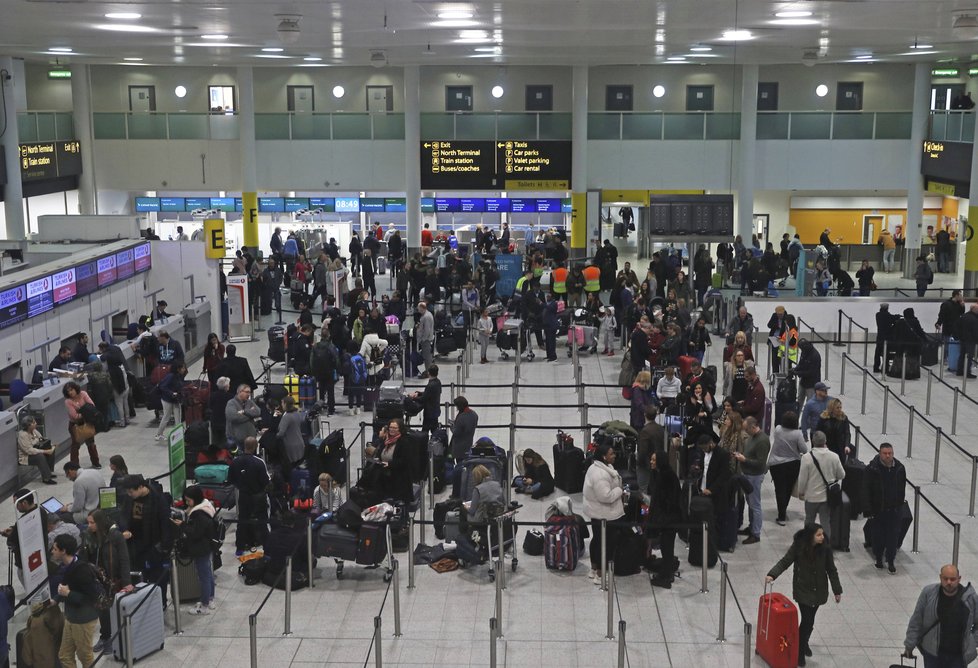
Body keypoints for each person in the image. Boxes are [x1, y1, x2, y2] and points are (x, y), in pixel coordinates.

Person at [765, 524, 843, 666]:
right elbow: (785, 561)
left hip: (819, 591)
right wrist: (772, 574)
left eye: (822, 534)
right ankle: (800, 651)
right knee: (807, 620)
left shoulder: (825, 549)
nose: (822, 537)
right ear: (810, 536)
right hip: (803, 590)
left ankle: (804, 642)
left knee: (810, 620)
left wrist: (837, 590)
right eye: (819, 535)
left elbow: (832, 570)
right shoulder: (799, 547)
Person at [903, 564, 978, 667]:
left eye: (952, 579)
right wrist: (909, 644)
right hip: (932, 654)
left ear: (959, 579)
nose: (949, 582)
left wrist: (972, 642)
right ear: (940, 578)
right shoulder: (928, 593)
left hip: (958, 656)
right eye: (945, 578)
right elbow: (917, 620)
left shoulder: (970, 599)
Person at [83, 509, 132, 653]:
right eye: (88, 522)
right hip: (98, 581)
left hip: (113, 579)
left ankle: (115, 638)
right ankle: (105, 637)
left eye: (92, 522)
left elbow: (124, 560)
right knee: (102, 611)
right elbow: (85, 556)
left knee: (113, 610)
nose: (89, 525)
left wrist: (127, 582)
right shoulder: (88, 536)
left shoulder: (115, 536)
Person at [119, 475, 172, 602]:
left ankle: (160, 603)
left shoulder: (158, 500)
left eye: (131, 491)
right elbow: (124, 515)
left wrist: (161, 548)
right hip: (135, 544)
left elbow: (165, 525)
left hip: (153, 546)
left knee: (157, 578)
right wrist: (125, 528)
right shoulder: (130, 498)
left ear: (141, 487)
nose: (129, 494)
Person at [52, 533, 100, 668]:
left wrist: (68, 594)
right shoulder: (67, 566)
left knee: (84, 655)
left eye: (55, 549)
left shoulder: (82, 570)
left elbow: (91, 598)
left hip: (84, 620)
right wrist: (56, 600)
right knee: (64, 655)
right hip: (71, 617)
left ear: (63, 551)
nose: (52, 551)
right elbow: (65, 586)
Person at [583, 443, 625, 586]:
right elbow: (605, 496)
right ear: (603, 456)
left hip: (598, 512)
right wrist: (620, 490)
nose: (614, 455)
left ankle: (594, 569)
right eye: (611, 453)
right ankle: (600, 574)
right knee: (606, 543)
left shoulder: (598, 468)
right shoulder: (600, 474)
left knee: (598, 540)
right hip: (605, 514)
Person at [172, 486, 217, 615]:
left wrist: (183, 525)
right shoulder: (206, 506)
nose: (187, 503)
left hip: (201, 547)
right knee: (208, 573)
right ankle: (210, 598)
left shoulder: (199, 514)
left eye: (188, 500)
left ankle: (204, 605)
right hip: (206, 546)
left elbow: (195, 533)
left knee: (204, 576)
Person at [864, 442, 907, 573]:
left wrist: (900, 505)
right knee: (879, 535)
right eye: (885, 453)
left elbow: (902, 488)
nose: (888, 456)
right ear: (880, 453)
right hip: (879, 509)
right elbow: (865, 489)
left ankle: (891, 560)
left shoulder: (899, 468)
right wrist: (867, 508)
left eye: (890, 453)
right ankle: (878, 558)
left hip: (894, 509)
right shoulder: (872, 468)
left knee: (893, 535)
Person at [795, 431, 845, 538]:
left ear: (813, 441)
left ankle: (808, 543)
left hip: (811, 496)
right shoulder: (834, 456)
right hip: (826, 498)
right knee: (825, 522)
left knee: (809, 520)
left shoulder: (806, 458)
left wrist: (801, 492)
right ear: (825, 441)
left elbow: (802, 479)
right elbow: (842, 475)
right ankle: (825, 546)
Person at [228, 436, 271, 556]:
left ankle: (240, 548)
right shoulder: (259, 462)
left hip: (243, 496)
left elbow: (231, 479)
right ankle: (267, 550)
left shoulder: (235, 461)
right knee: (262, 522)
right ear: (256, 447)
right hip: (258, 496)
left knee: (242, 522)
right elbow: (266, 481)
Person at [647, 450, 682, 589]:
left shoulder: (666, 477)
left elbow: (667, 501)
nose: (651, 462)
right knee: (666, 546)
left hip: (668, 520)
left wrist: (660, 519)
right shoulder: (661, 474)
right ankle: (666, 572)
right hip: (667, 519)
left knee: (667, 547)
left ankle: (666, 576)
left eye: (654, 460)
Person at [769, 411, 808, 526]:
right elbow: (804, 450)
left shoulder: (778, 429)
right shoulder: (797, 434)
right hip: (792, 465)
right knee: (788, 489)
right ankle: (783, 510)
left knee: (779, 489)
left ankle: (781, 515)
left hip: (776, 464)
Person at [735, 417, 770, 545]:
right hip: (747, 474)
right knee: (750, 502)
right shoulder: (752, 437)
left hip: (755, 476)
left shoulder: (762, 441)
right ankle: (751, 527)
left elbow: (761, 464)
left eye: (747, 429)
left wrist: (745, 460)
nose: (746, 432)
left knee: (755, 504)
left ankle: (756, 533)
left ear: (753, 426)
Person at [63, 380, 101, 469]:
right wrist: (86, 411)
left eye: (71, 389)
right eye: (68, 391)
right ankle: (74, 466)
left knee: (91, 443)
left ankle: (96, 462)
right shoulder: (68, 401)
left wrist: (83, 412)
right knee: (75, 445)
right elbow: (75, 416)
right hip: (75, 425)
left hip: (87, 423)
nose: (70, 392)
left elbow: (92, 405)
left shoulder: (83, 394)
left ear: (75, 388)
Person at [17, 415, 56, 484]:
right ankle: (46, 478)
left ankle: (48, 472)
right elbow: (29, 450)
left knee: (50, 448)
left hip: (36, 450)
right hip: (26, 456)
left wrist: (50, 446)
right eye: (34, 422)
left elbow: (41, 439)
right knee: (40, 456)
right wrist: (45, 451)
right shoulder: (22, 435)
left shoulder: (34, 430)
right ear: (28, 425)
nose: (36, 423)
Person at [636, 405, 664, 492]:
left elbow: (643, 451)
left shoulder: (645, 431)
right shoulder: (660, 428)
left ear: (645, 415)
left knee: (643, 488)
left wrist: (638, 463)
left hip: (646, 464)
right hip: (659, 463)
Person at [156, 362, 187, 440]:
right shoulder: (170, 376)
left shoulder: (179, 376)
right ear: (178, 369)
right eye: (183, 368)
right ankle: (159, 434)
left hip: (175, 400)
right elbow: (162, 386)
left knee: (178, 418)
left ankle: (179, 435)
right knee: (166, 417)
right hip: (167, 400)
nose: (184, 369)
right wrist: (171, 393)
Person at [225, 384, 261, 450]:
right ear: (239, 392)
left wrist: (244, 411)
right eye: (247, 392)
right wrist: (250, 416)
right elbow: (234, 417)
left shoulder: (250, 402)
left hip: (250, 441)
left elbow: (258, 412)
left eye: (249, 392)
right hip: (236, 440)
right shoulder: (231, 403)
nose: (249, 394)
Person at [815, 398, 852, 462]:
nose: (840, 409)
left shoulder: (844, 418)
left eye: (840, 407)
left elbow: (847, 433)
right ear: (832, 408)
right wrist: (821, 444)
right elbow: (818, 432)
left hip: (840, 448)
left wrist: (847, 445)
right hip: (826, 447)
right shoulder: (823, 418)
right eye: (837, 408)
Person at [411, 363, 442, 437]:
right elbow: (429, 394)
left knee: (425, 431)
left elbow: (423, 399)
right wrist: (419, 393)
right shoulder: (438, 382)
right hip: (435, 410)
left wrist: (413, 397)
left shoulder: (430, 385)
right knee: (434, 431)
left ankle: (423, 446)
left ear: (429, 373)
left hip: (429, 412)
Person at [276, 396, 306, 468]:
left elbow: (281, 433)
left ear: (286, 404)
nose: (281, 405)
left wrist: (274, 436)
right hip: (300, 444)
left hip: (290, 446)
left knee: (290, 468)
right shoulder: (297, 414)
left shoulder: (287, 417)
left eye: (282, 403)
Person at [450, 395, 478, 463]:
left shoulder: (461, 418)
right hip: (468, 444)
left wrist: (452, 427)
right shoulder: (474, 414)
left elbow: (456, 433)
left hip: (459, 448)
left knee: (460, 464)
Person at [956, 302, 978, 378]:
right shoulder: (974, 319)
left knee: (962, 355)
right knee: (969, 356)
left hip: (963, 339)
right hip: (970, 340)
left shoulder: (963, 316)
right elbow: (975, 331)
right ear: (974, 309)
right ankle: (967, 372)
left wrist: (958, 336)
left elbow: (958, 327)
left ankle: (959, 371)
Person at [416, 302, 435, 378]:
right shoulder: (427, 314)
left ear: (422, 308)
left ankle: (428, 372)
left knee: (427, 357)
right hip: (426, 339)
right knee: (427, 356)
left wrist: (423, 339)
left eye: (419, 308)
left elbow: (427, 329)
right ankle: (428, 370)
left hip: (426, 340)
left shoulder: (426, 317)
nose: (418, 310)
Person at [543, 292, 559, 362]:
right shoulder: (546, 303)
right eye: (547, 296)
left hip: (552, 325)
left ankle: (553, 356)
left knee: (551, 341)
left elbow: (550, 309)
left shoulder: (554, 304)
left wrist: (541, 304)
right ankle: (548, 355)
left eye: (549, 296)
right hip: (546, 325)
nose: (547, 298)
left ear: (552, 297)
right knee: (547, 341)